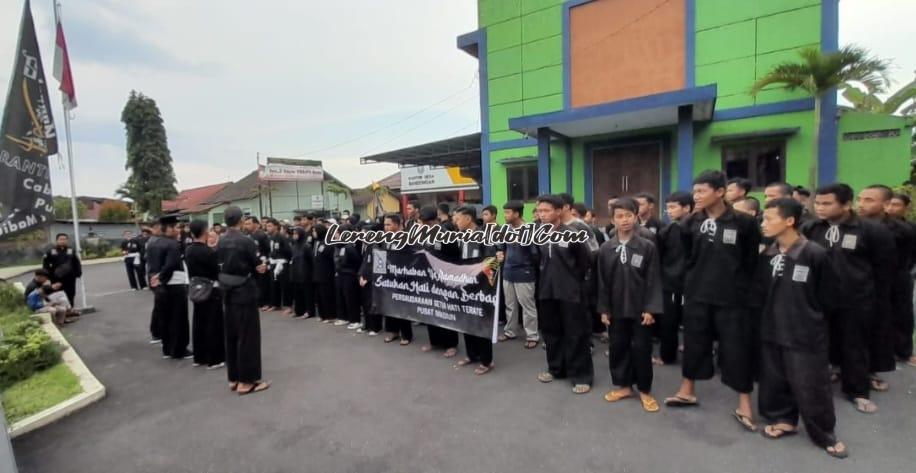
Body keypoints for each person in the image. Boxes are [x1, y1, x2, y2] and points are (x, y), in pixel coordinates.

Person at [665, 170, 760, 433]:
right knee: (694, 343)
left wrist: (745, 294)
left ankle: (744, 403)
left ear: (720, 192)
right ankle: (687, 390)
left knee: (737, 349)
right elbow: (687, 258)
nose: (696, 196)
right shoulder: (689, 224)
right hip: (697, 295)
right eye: (694, 192)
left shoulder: (744, 223)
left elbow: (751, 262)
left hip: (733, 299)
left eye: (701, 191)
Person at [754, 198, 847, 458]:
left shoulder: (814, 253)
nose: (763, 224)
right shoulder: (769, 253)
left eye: (769, 218)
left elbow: (830, 297)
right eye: (763, 218)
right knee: (774, 379)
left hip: (805, 331)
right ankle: (783, 419)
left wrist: (811, 318)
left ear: (790, 221)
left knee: (811, 384)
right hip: (772, 327)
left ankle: (824, 433)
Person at [802, 183, 895, 414]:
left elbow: (885, 269)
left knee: (855, 346)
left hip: (856, 300)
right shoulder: (811, 228)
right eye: (818, 203)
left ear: (846, 204)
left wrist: (876, 299)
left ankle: (857, 391)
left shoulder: (871, 231)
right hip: (820, 299)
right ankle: (826, 375)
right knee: (821, 341)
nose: (820, 208)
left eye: (827, 203)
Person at [597, 198, 663, 412]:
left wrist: (651, 308)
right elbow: (602, 281)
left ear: (636, 217)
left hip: (640, 308)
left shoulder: (647, 246)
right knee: (618, 347)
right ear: (613, 219)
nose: (624, 220)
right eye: (619, 216)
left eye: (628, 215)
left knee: (642, 349)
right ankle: (624, 385)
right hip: (616, 309)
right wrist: (604, 309)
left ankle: (644, 389)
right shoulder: (607, 248)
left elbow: (653, 279)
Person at [536, 194, 596, 394]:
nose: (542, 215)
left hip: (570, 292)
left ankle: (581, 376)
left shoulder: (572, 233)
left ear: (559, 211)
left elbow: (586, 261)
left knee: (575, 334)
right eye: (540, 211)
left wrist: (571, 280)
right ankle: (556, 368)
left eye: (546, 211)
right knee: (551, 333)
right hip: (546, 291)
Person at [856, 185, 908, 386]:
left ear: (886, 204)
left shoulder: (900, 231)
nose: (861, 204)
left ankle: (870, 371)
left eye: (869, 200)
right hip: (856, 287)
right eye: (860, 199)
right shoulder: (852, 225)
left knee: (878, 330)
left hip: (885, 286)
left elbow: (900, 262)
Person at [217, 206, 270, 395]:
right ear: (240, 220)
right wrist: (261, 267)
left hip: (227, 291)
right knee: (248, 337)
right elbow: (258, 266)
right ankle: (247, 382)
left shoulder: (220, 241)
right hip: (244, 292)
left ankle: (234, 378)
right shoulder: (246, 241)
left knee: (232, 335)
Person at [453, 206, 495, 375]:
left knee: (480, 321)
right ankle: (472, 355)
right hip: (464, 284)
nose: (456, 222)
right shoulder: (460, 236)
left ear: (468, 219)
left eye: (458, 219)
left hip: (480, 286)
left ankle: (486, 360)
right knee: (466, 320)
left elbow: (490, 260)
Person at [418, 206, 461, 356]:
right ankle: (434, 341)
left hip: (445, 277)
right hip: (429, 276)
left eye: (422, 222)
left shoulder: (445, 233)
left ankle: (451, 344)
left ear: (430, 220)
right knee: (431, 308)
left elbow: (455, 256)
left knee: (446, 310)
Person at [497, 201, 540, 349]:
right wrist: (499, 253)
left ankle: (532, 335)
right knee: (510, 305)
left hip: (524, 272)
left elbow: (536, 255)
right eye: (505, 212)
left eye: (508, 212)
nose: (505, 215)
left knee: (527, 305)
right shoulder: (505, 229)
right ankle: (510, 331)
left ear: (517, 214)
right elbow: (500, 247)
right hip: (508, 272)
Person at [656, 191, 692, 365]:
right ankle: (668, 355)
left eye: (673, 207)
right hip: (671, 282)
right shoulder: (668, 229)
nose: (668, 211)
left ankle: (668, 356)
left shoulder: (696, 228)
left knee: (677, 322)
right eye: (667, 207)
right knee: (669, 323)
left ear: (686, 207)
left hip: (686, 282)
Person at [148, 215, 192, 360]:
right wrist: (161, 278)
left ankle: (167, 349)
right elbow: (171, 264)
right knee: (178, 318)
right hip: (173, 284)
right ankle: (179, 349)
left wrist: (155, 280)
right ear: (169, 228)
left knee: (164, 318)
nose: (178, 230)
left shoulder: (153, 242)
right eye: (176, 227)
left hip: (159, 286)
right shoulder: (172, 244)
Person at [185, 220, 225, 369]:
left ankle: (199, 357)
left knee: (199, 322)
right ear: (204, 231)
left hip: (196, 288)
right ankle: (214, 358)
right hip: (210, 288)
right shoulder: (207, 252)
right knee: (213, 323)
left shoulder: (188, 250)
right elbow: (216, 271)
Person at [886, 193, 916, 366]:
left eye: (896, 205)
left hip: (901, 275)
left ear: (906, 207)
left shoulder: (910, 228)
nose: (890, 208)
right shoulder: (876, 226)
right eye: (888, 204)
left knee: (903, 313)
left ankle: (904, 351)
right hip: (879, 276)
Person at [333, 224, 363, 329]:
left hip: (349, 275)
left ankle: (355, 320)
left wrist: (352, 272)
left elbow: (357, 261)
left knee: (351, 298)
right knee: (341, 297)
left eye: (337, 233)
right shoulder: (339, 246)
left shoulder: (349, 247)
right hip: (340, 274)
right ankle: (344, 317)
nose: (335, 235)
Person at [358, 221, 384, 336]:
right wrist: (360, 276)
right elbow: (364, 264)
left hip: (373, 280)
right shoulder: (366, 246)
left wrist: (368, 278)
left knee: (373, 304)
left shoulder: (375, 247)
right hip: (364, 279)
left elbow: (379, 266)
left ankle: (375, 327)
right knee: (365, 304)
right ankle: (367, 325)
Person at [42, 233, 82, 307]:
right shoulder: (51, 251)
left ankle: (70, 309)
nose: (63, 241)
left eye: (64, 239)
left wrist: (78, 273)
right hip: (56, 278)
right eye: (61, 239)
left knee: (71, 293)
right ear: (57, 241)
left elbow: (76, 262)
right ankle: (63, 311)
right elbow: (45, 265)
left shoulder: (71, 250)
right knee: (58, 294)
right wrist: (47, 276)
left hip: (70, 277)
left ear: (67, 240)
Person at [265, 218, 293, 315]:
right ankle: (275, 304)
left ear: (276, 226)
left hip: (282, 263)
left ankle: (289, 306)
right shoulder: (270, 238)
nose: (267, 228)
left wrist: (284, 260)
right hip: (273, 263)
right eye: (267, 226)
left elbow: (288, 251)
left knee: (284, 285)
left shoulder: (282, 238)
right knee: (274, 284)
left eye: (270, 226)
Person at [311, 223, 338, 323]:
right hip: (317, 273)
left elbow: (331, 258)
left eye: (315, 231)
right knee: (319, 296)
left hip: (326, 273)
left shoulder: (328, 243)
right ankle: (322, 315)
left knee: (327, 295)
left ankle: (330, 315)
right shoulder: (316, 242)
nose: (313, 233)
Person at [244, 217, 272, 311]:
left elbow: (268, 250)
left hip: (262, 263)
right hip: (252, 264)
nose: (246, 226)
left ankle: (266, 303)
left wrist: (265, 263)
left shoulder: (262, 235)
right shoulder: (248, 235)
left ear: (256, 224)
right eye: (246, 224)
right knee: (254, 284)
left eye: (249, 223)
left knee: (263, 284)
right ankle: (258, 302)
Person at [289, 226, 315, 319]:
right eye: (294, 234)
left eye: (296, 233)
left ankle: (309, 311)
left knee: (307, 294)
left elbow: (311, 261)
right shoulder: (294, 246)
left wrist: (310, 273)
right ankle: (299, 311)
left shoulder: (306, 246)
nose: (294, 235)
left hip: (305, 273)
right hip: (296, 273)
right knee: (297, 293)